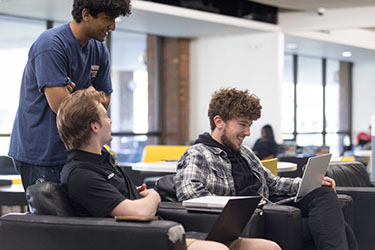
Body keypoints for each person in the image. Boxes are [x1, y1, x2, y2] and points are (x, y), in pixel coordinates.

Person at [56, 89, 281, 250]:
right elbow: (140, 213)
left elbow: (122, 204)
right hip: (145, 239)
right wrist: (152, 195)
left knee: (268, 247)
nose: (110, 120)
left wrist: (136, 196)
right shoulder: (81, 174)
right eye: (105, 116)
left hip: (168, 231)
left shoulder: (102, 161)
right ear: (94, 126)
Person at [175, 87, 358, 250]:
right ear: (219, 121)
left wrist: (307, 184)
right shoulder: (197, 154)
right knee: (338, 227)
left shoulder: (245, 152)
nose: (247, 133)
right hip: (248, 219)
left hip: (269, 210)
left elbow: (273, 183)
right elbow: (191, 196)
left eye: (250, 125)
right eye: (243, 124)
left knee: (323, 195)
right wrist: (238, 206)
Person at [8, 0, 131, 191]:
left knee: (80, 216)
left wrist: (76, 93)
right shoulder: (51, 45)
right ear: (86, 14)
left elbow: (105, 101)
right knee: (52, 218)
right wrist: (88, 91)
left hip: (76, 152)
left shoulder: (98, 50)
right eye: (107, 19)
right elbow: (61, 107)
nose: (112, 27)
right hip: (42, 152)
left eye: (114, 20)